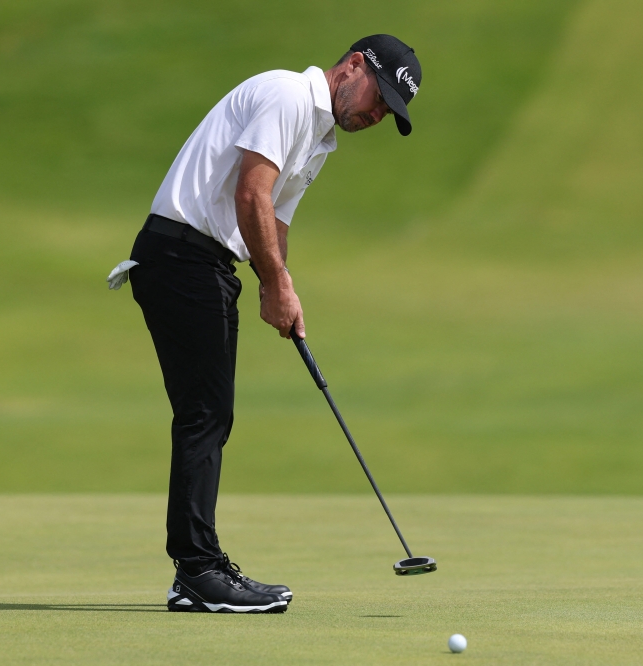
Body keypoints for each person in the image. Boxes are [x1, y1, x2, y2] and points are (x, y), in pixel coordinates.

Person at [106, 34, 422, 613]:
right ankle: (198, 571)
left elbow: (273, 219)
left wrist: (285, 285)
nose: (377, 115)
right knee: (205, 415)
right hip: (179, 255)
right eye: (379, 98)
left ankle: (197, 568)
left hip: (205, 263)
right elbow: (252, 192)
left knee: (209, 414)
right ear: (354, 65)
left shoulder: (319, 139)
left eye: (388, 114)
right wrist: (272, 285)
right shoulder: (286, 95)